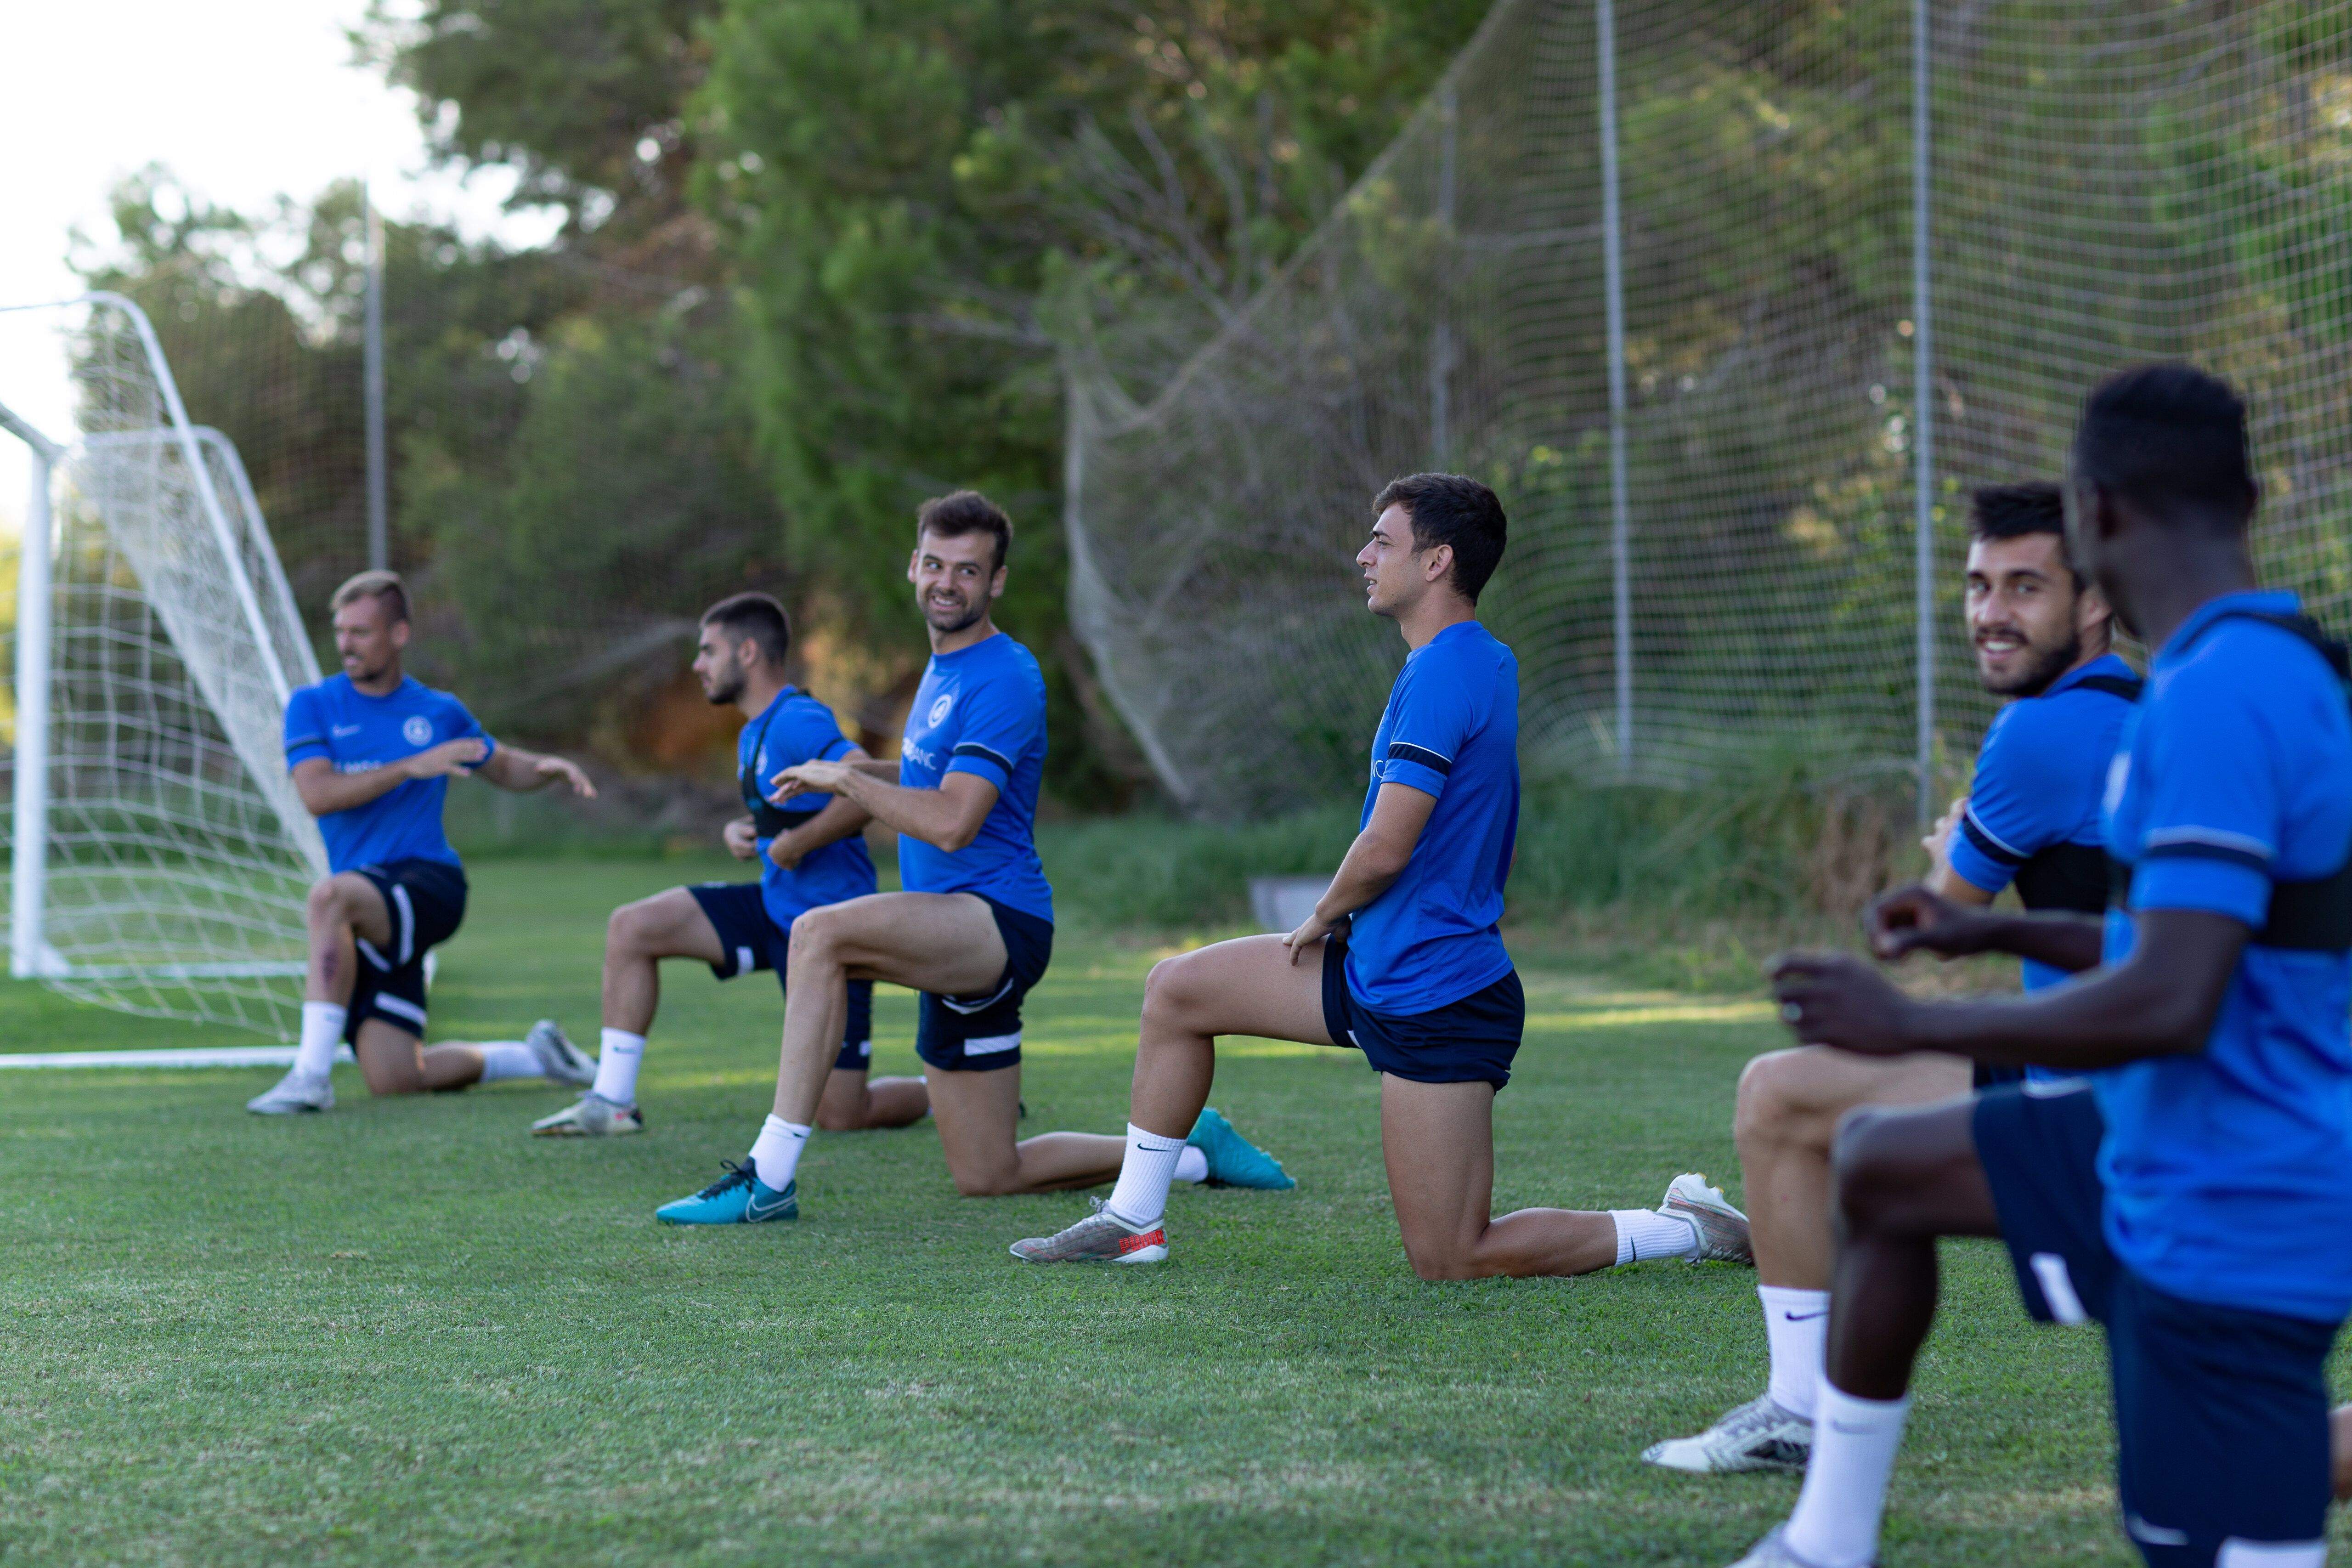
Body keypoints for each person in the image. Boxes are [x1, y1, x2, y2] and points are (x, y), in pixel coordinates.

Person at [1739, 363, 2352, 1568]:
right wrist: (1990, 933)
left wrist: (1906, 1021)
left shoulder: (2224, 694)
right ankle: (1825, 1538)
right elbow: (2184, 943)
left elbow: (2174, 998)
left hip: (2234, 1209)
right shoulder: (2241, 667)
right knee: (1880, 1168)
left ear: (2096, 516)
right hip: (2170, 1144)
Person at [1009, 473, 1752, 1274]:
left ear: (1437, 561)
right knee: (1177, 990)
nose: (1364, 556)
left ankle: (1686, 1226)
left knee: (1453, 1255)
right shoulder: (1463, 659)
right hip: (1381, 964)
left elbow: (1387, 844)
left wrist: (1321, 913)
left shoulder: (1447, 670)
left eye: (1383, 541)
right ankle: (1133, 1219)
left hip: (1441, 991)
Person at [1644, 482, 2139, 1474]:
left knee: (1779, 1094)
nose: (1990, 612)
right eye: (1976, 584)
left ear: (2091, 601)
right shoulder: (2149, 704)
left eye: (2024, 586)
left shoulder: (2039, 732)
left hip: (2107, 1083)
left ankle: (1798, 1406)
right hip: (2125, 1047)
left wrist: (1947, 851)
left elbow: (1926, 919)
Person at [651, 491, 1289, 1223]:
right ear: (914, 567)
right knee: (991, 1172)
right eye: (934, 563)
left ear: (996, 583)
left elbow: (953, 822)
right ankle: (1190, 1151)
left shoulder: (1004, 676)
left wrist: (849, 777)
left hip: (998, 921)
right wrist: (818, 795)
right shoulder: (941, 669)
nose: (946, 581)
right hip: (952, 935)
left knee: (819, 934)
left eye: (967, 569)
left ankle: (768, 1177)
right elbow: (929, 781)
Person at [527, 592, 928, 1138]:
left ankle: (944, 1093)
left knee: (840, 1114)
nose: (697, 664)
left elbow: (863, 784)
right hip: (772, 907)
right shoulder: (752, 730)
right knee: (633, 926)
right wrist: (747, 832)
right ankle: (612, 1102)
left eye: (707, 650)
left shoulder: (797, 717)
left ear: (746, 652)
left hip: (829, 929)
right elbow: (786, 807)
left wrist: (798, 844)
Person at [246, 571, 601, 1114]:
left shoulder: (437, 711)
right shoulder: (312, 705)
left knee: (329, 897)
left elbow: (501, 764)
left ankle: (309, 1077)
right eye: (341, 630)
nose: (346, 643)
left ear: (400, 634)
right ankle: (537, 1057)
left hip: (427, 881)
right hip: (368, 907)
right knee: (395, 1076)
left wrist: (547, 768)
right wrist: (409, 766)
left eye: (361, 631)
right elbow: (317, 794)